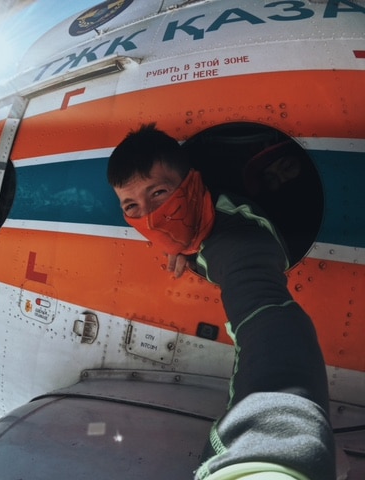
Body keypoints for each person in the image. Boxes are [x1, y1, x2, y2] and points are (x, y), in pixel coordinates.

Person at [107, 124, 335, 480]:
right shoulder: (206, 217)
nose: (150, 215)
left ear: (192, 183)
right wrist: (189, 250)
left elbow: (272, 322)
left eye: (160, 193)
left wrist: (272, 456)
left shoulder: (240, 241)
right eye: (132, 206)